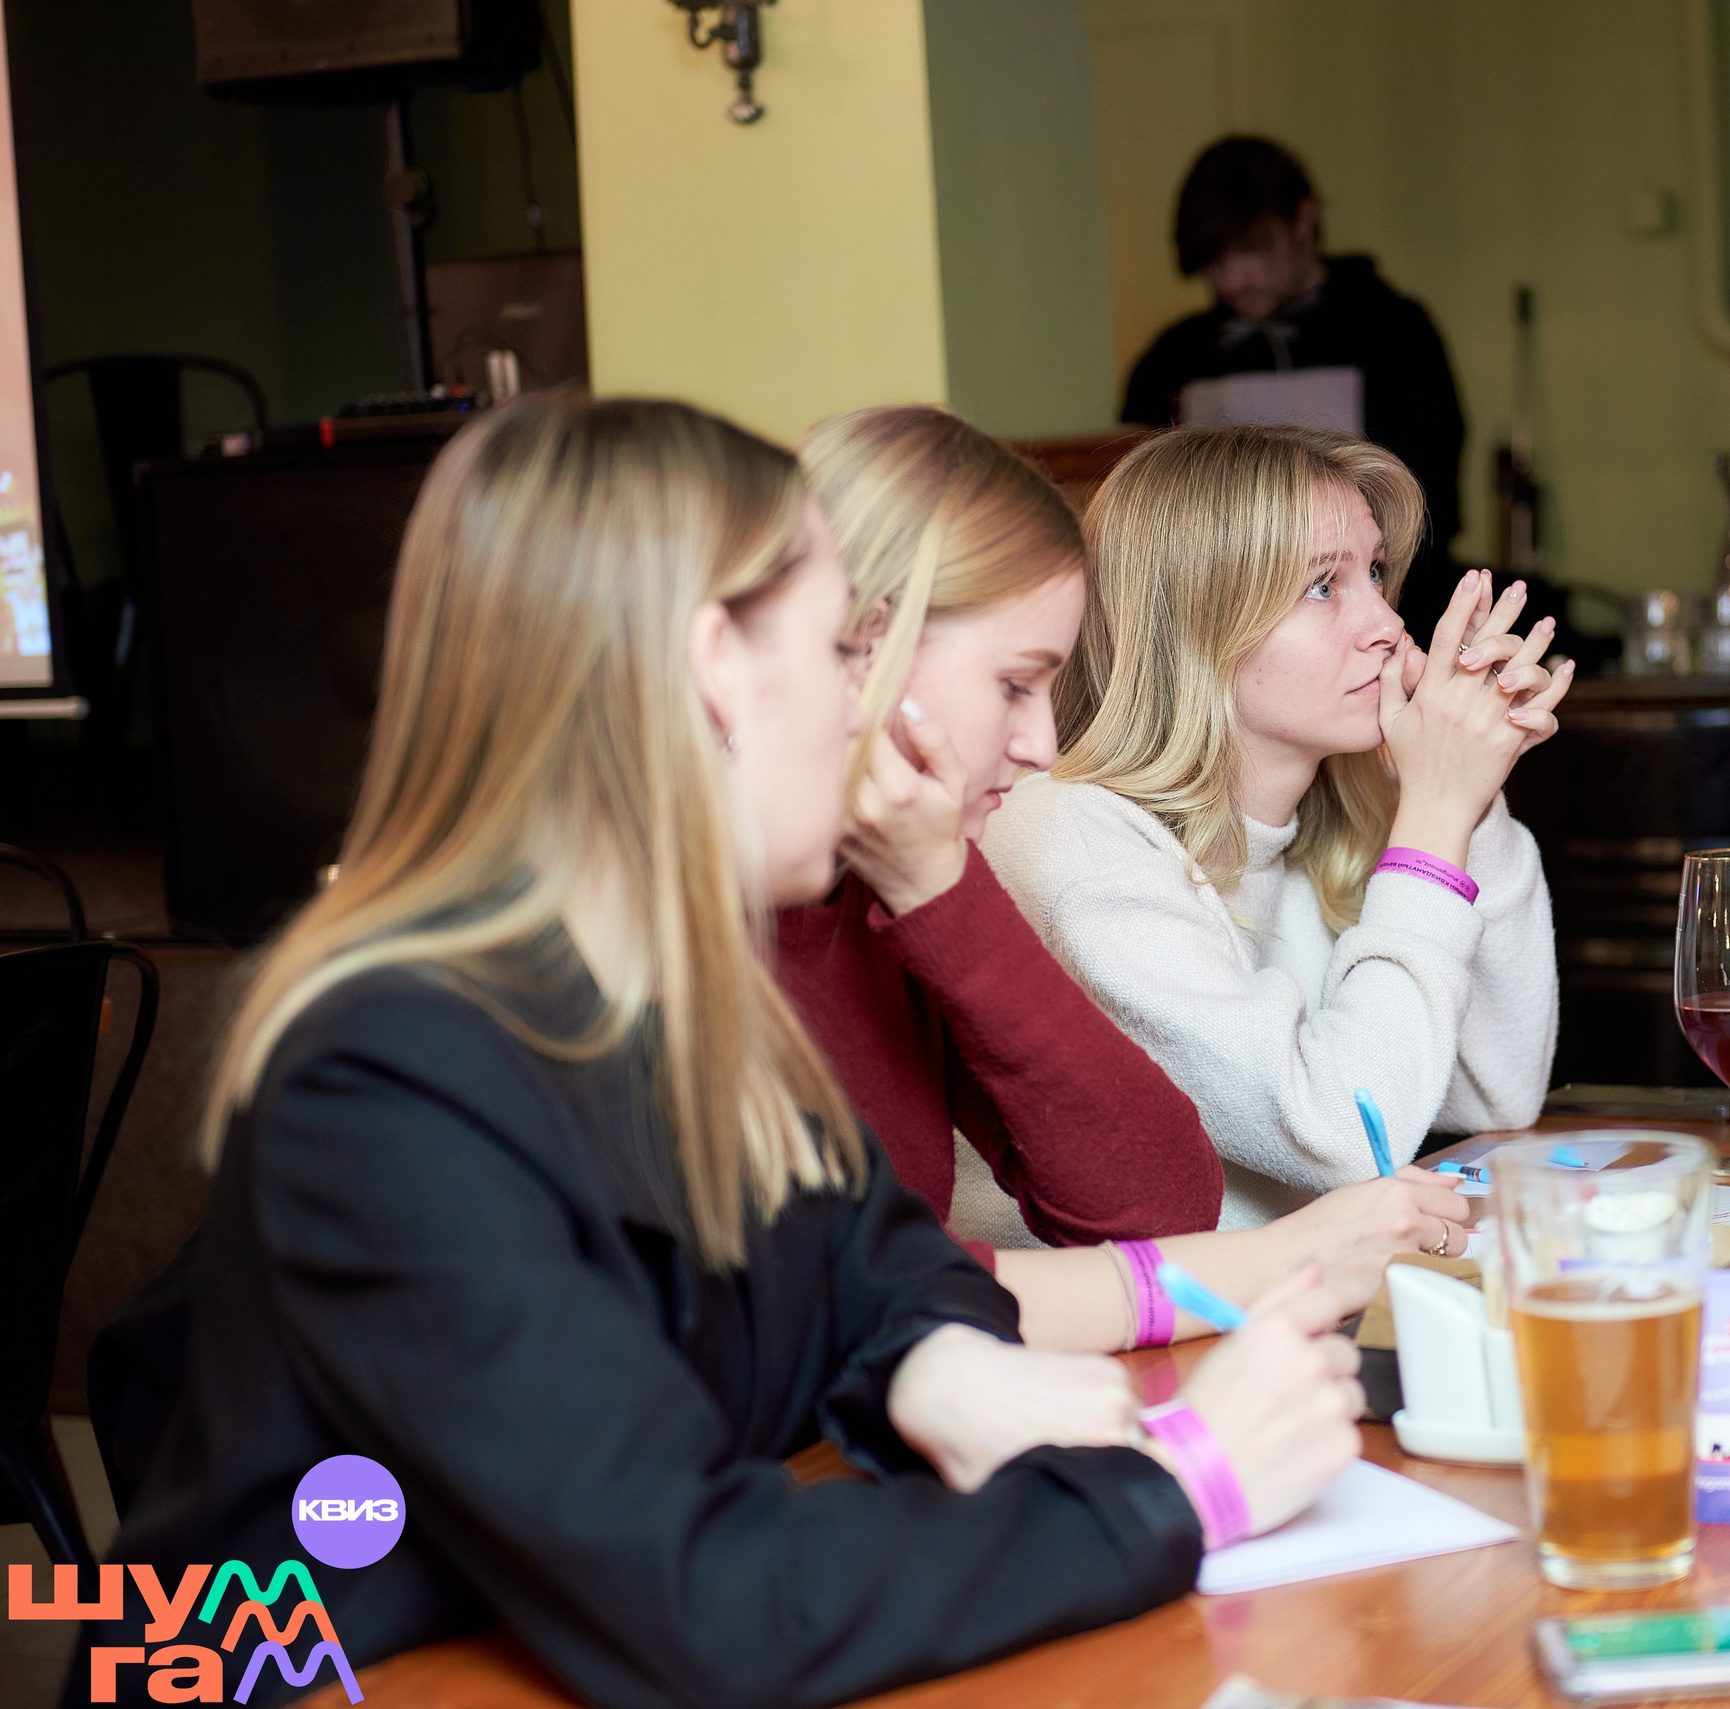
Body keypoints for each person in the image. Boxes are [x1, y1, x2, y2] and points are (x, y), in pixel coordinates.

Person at [84, 395, 1362, 1708]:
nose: (867, 700)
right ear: (717, 671)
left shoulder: (677, 989)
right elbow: (697, 1596)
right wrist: (1179, 1487)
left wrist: (942, 1363)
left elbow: (877, 1266)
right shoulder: (392, 1071)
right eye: (844, 647)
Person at [776, 406, 1474, 1351]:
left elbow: (1149, 1196)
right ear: (865, 653)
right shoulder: (1033, 843)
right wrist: (1290, 1259)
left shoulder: (886, 886)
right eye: (1016, 684)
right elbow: (848, 1303)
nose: (1042, 745)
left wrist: (1462, 792)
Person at [982, 425, 1570, 1227]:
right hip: (1120, 1341)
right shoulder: (1072, 842)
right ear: (1196, 625)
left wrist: (1469, 794)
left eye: (1374, 574)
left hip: (1282, 1318)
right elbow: (1348, 1131)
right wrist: (1435, 816)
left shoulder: (1339, 818)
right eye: (1324, 587)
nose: (1389, 627)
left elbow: (1497, 1088)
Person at [1120, 136, 1467, 596]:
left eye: (1252, 250)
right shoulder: (1178, 355)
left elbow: (1429, 499)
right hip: (1224, 609)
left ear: (1303, 220)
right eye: (1215, 263)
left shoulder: (1392, 332)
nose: (1232, 279)